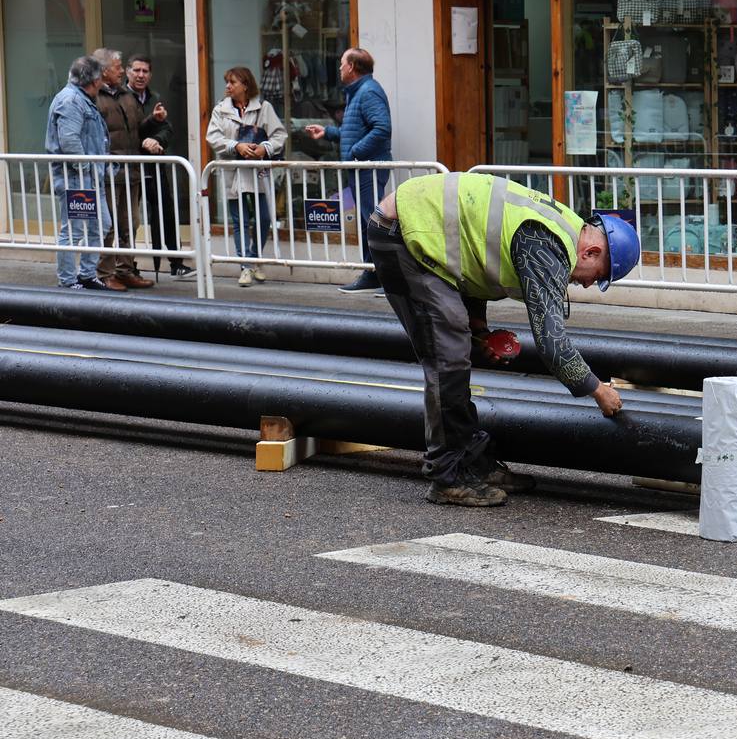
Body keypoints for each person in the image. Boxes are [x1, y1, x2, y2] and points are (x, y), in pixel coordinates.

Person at [370, 171, 641, 507]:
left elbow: (472, 259)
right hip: (404, 233)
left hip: (427, 234)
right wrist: (598, 391)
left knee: (458, 342)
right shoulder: (549, 247)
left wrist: (480, 329)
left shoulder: (565, 230)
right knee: (448, 355)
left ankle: (473, 463)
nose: (587, 285)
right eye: (597, 276)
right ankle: (447, 475)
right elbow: (552, 343)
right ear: (592, 252)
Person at [305, 47, 392, 294]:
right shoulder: (359, 92)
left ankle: (387, 276)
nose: (340, 68)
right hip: (361, 167)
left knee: (374, 222)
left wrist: (355, 152)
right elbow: (360, 130)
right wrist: (329, 132)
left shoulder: (368, 92)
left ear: (352, 67)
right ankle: (372, 273)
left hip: (368, 168)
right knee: (369, 222)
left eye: (343, 63)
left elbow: (382, 129)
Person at [205, 66, 287, 288]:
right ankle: (246, 267)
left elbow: (279, 134)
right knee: (240, 220)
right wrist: (236, 146)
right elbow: (213, 137)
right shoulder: (220, 110)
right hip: (234, 172)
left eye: (232, 82)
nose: (228, 87)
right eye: (227, 82)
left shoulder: (264, 107)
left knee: (263, 218)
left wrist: (264, 148)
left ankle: (253, 258)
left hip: (258, 171)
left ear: (246, 85)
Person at [46, 56, 115, 291]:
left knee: (101, 225)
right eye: (100, 78)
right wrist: (87, 168)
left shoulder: (80, 98)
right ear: (94, 80)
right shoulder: (71, 100)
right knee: (73, 230)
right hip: (77, 177)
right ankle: (68, 280)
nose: (103, 82)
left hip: (90, 176)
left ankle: (86, 274)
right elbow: (69, 140)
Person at [92, 48, 154, 290]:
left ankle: (125, 269)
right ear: (105, 71)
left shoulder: (127, 95)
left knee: (130, 223)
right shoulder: (94, 97)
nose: (122, 71)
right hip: (108, 173)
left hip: (131, 171)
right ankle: (105, 274)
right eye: (118, 67)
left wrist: (155, 122)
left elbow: (139, 127)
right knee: (108, 226)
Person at [126, 54, 189, 279]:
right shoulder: (121, 98)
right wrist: (143, 140)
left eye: (145, 71)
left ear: (151, 74)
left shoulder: (155, 97)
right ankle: (127, 264)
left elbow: (167, 127)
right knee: (130, 216)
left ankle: (175, 262)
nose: (141, 75)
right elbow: (123, 131)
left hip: (154, 163)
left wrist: (157, 141)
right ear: (127, 72)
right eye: (137, 70)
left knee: (165, 210)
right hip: (130, 165)